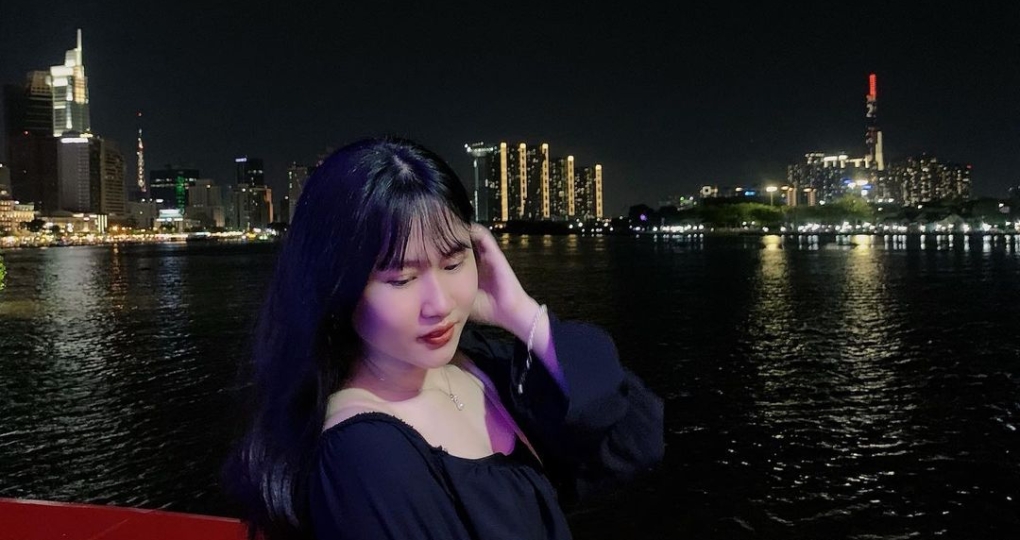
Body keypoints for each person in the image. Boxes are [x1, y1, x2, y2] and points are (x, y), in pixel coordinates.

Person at [224, 137, 664, 540]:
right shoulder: (364, 457)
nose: (440, 304)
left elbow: (636, 439)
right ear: (338, 287)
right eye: (401, 279)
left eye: (453, 264)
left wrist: (521, 313)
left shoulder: (474, 365)